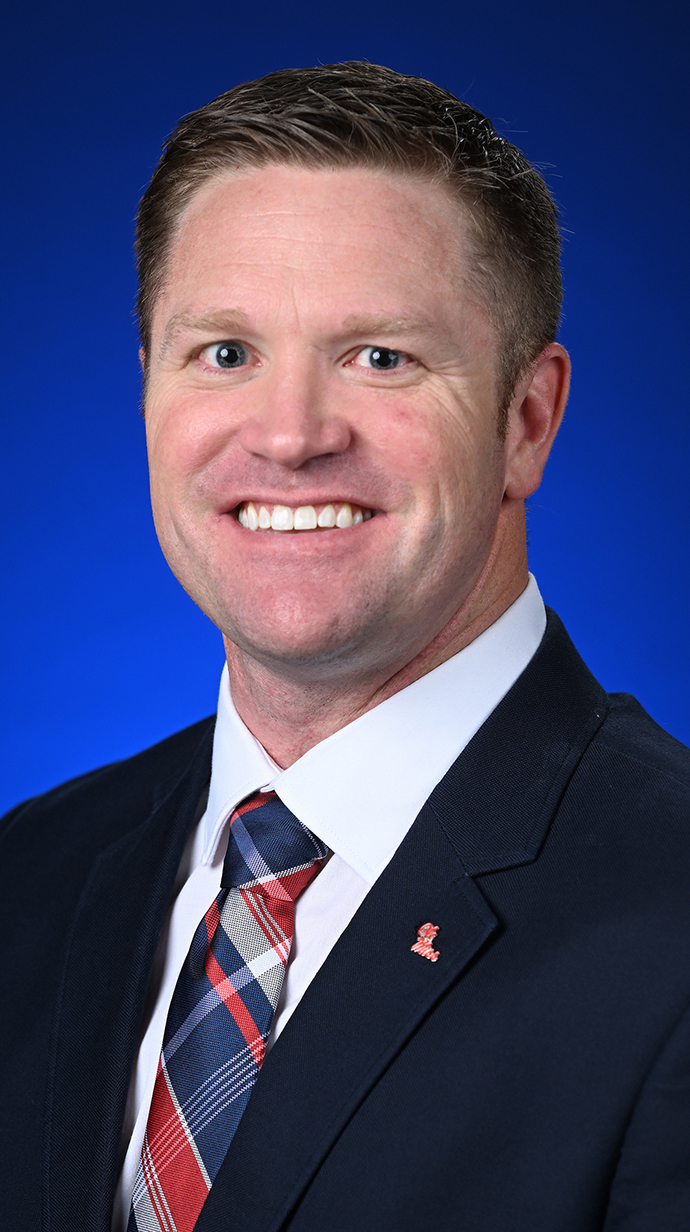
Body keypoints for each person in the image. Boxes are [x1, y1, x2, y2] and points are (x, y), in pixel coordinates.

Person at [1, 61, 689, 1232]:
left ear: (527, 420)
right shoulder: (33, 872)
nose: (290, 435)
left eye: (380, 356)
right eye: (226, 351)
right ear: (149, 388)